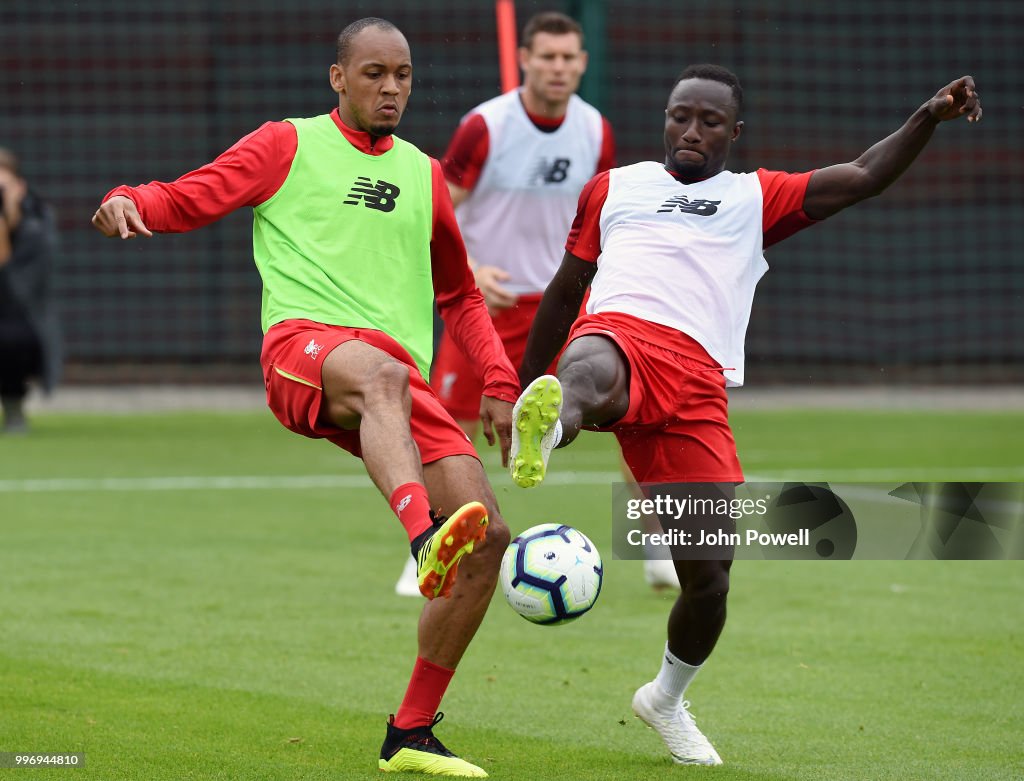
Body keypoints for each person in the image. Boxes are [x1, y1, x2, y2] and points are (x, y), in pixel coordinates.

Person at [510, 65, 982, 765]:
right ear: (664, 119)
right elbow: (567, 286)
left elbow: (862, 177)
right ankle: (548, 420)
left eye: (707, 121)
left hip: (697, 386)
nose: (689, 131)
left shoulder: (753, 196)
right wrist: (526, 378)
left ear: (734, 132)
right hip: (620, 333)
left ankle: (665, 698)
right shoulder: (615, 187)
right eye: (678, 116)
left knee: (711, 580)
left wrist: (926, 116)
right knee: (588, 371)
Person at [92, 17, 520, 778]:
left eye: (403, 76)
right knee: (384, 381)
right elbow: (191, 197)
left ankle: (411, 733)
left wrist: (498, 382)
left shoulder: (422, 173)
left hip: (399, 384)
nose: (391, 88)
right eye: (374, 74)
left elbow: (457, 292)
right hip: (305, 351)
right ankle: (423, 537)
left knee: (488, 540)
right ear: (338, 78)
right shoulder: (286, 143)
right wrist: (129, 198)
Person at [393, 11, 674, 596]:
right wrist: (467, 268)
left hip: (566, 310)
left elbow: (600, 214)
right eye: (547, 57)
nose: (558, 67)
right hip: (485, 308)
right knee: (446, 429)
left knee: (633, 417)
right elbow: (435, 212)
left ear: (583, 64)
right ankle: (427, 545)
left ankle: (656, 549)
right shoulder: (484, 127)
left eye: (569, 58)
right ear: (524, 59)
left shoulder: (596, 130)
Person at [0, 148, 61, 434]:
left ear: (20, 189)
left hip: (20, 322)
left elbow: (18, 294)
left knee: (12, 337)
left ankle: (13, 406)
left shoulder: (36, 227)